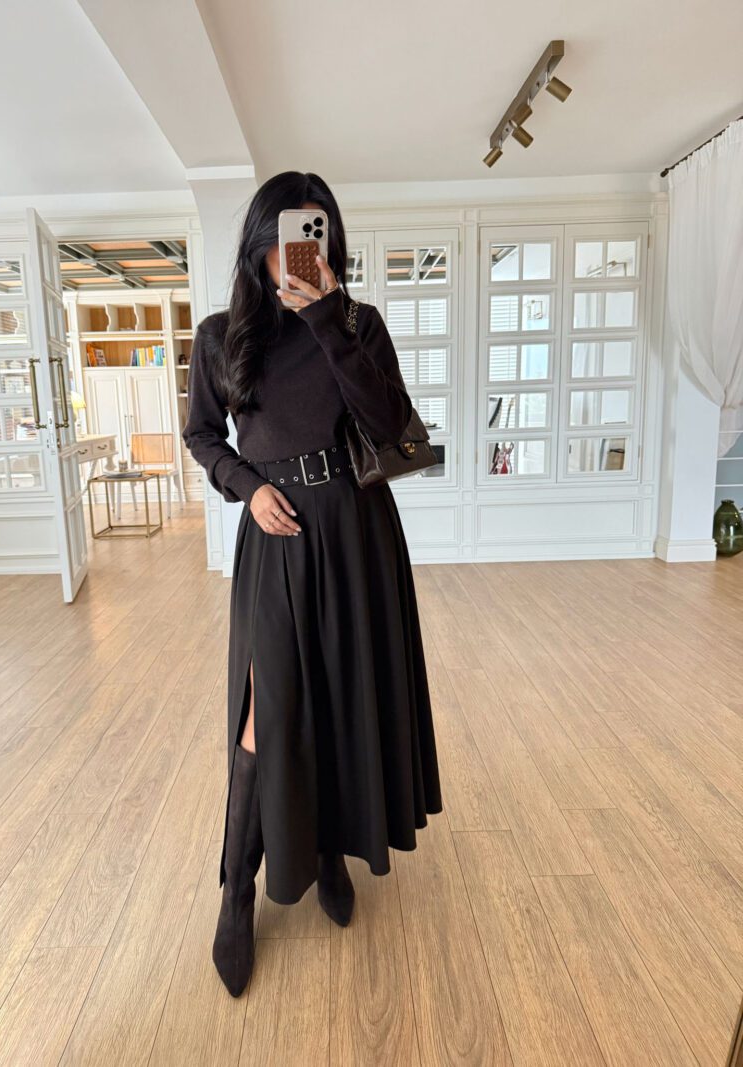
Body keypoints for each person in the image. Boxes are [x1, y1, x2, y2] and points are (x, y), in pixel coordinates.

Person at [182, 171, 443, 998]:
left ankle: (331, 852)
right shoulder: (220, 336)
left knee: (340, 698)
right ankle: (237, 890)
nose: (304, 247)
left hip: (357, 533)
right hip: (277, 535)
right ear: (261, 241)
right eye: (291, 232)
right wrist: (246, 487)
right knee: (265, 717)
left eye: (318, 230)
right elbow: (201, 435)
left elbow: (391, 429)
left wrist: (327, 317)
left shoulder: (359, 323)